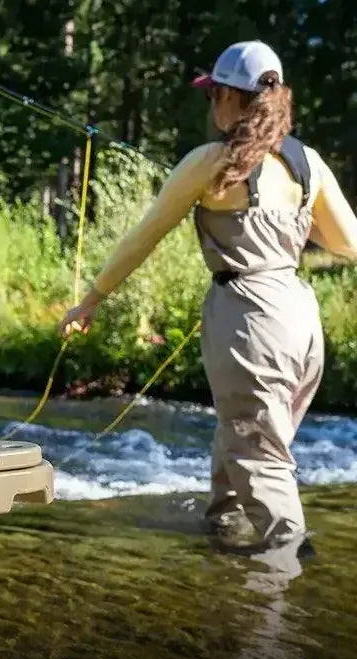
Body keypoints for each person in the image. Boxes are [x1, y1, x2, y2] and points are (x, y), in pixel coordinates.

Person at [58, 40, 357, 551]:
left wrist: (90, 301)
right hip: (301, 321)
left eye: (213, 94)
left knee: (259, 456)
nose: (210, 105)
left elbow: (143, 237)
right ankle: (224, 531)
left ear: (230, 98)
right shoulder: (308, 163)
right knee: (245, 433)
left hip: (249, 321)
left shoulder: (210, 161)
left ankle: (286, 576)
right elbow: (348, 243)